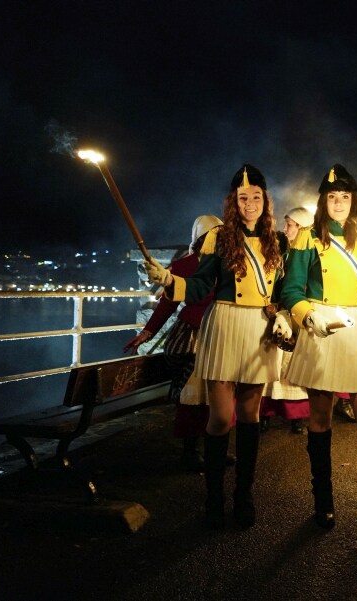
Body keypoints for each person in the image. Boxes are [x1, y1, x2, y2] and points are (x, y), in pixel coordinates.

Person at [145, 164, 287, 530]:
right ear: (233, 201)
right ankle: (213, 497)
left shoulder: (280, 241)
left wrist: (285, 312)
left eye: (256, 196)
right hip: (224, 324)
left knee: (250, 415)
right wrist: (169, 280)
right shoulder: (218, 238)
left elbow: (283, 291)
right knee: (222, 417)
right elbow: (198, 288)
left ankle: (244, 495)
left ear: (265, 200)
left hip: (259, 328)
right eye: (243, 198)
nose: (250, 203)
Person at [280, 163, 357, 533]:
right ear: (323, 200)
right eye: (333, 197)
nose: (340, 203)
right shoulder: (308, 237)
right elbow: (292, 289)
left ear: (354, 200)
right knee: (320, 416)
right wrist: (305, 315)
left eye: (345, 196)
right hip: (321, 327)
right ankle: (323, 502)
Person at [124, 214, 223, 471]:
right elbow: (168, 302)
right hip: (192, 338)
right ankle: (190, 453)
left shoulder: (229, 265)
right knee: (192, 396)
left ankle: (215, 451)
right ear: (201, 239)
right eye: (213, 236)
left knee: (220, 397)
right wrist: (148, 332)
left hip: (222, 335)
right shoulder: (185, 265)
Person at [260, 207, 314, 434]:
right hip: (277, 313)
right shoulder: (282, 253)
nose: (285, 229)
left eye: (290, 225)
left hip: (298, 314)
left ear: (301, 227)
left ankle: (296, 416)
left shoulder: (310, 254)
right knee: (270, 364)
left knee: (293, 366)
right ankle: (265, 413)